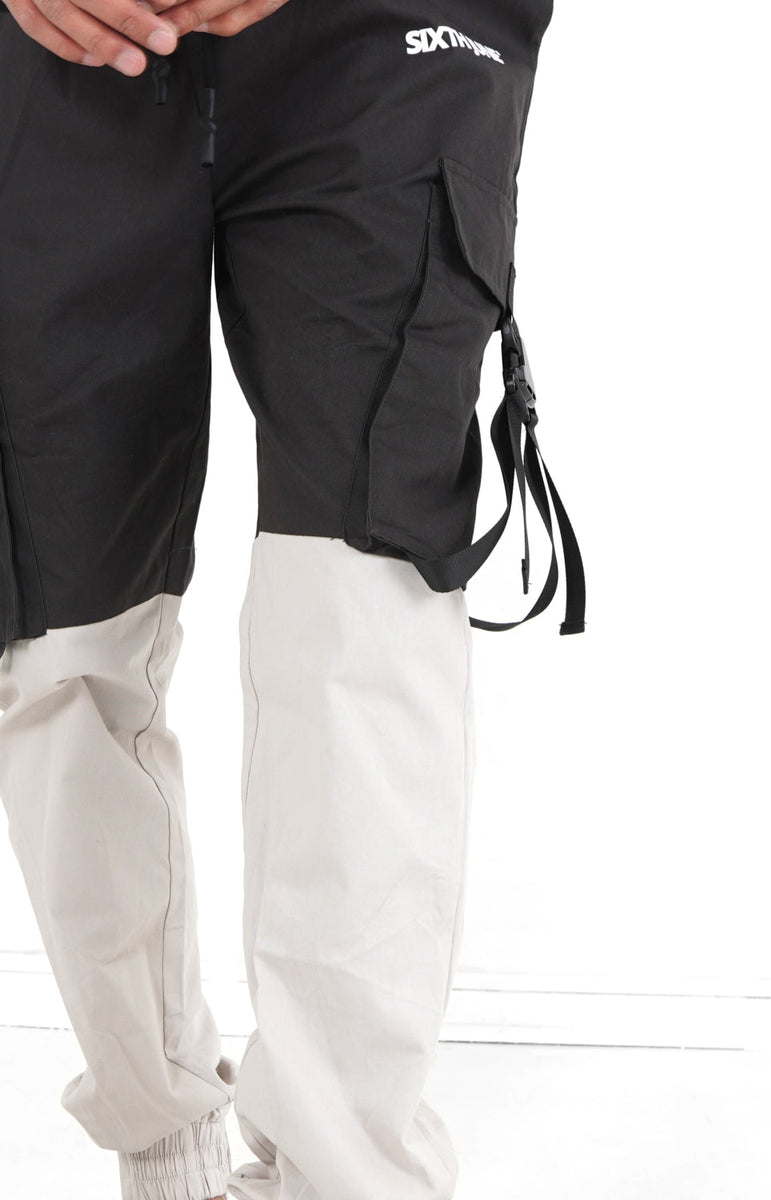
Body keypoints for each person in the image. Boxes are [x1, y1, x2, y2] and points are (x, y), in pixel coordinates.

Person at [0, 1, 585, 1197]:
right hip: (52, 38)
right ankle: (163, 1141)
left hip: (388, 28)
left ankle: (343, 1178)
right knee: (64, 631)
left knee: (361, 596)